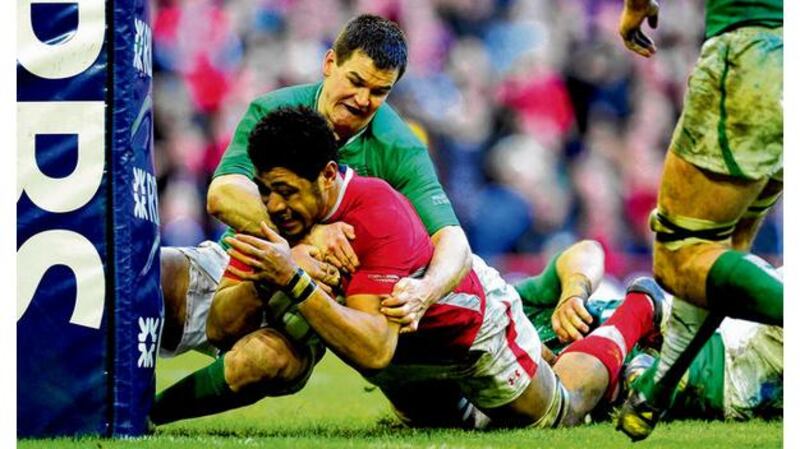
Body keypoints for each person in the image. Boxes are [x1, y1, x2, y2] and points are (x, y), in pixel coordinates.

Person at [161, 105, 666, 429]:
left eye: (287, 191)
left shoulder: (375, 214)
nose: (274, 206)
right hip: (408, 359)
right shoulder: (276, 217)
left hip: (469, 335)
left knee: (560, 410)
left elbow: (375, 349)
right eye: (266, 189)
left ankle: (637, 311)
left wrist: (292, 280)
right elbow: (223, 326)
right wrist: (266, 277)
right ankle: (150, 416)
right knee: (270, 358)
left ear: (329, 175)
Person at [614, 0, 783, 440]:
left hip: (757, 44)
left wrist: (636, 6)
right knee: (724, 247)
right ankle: (658, 388)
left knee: (680, 255)